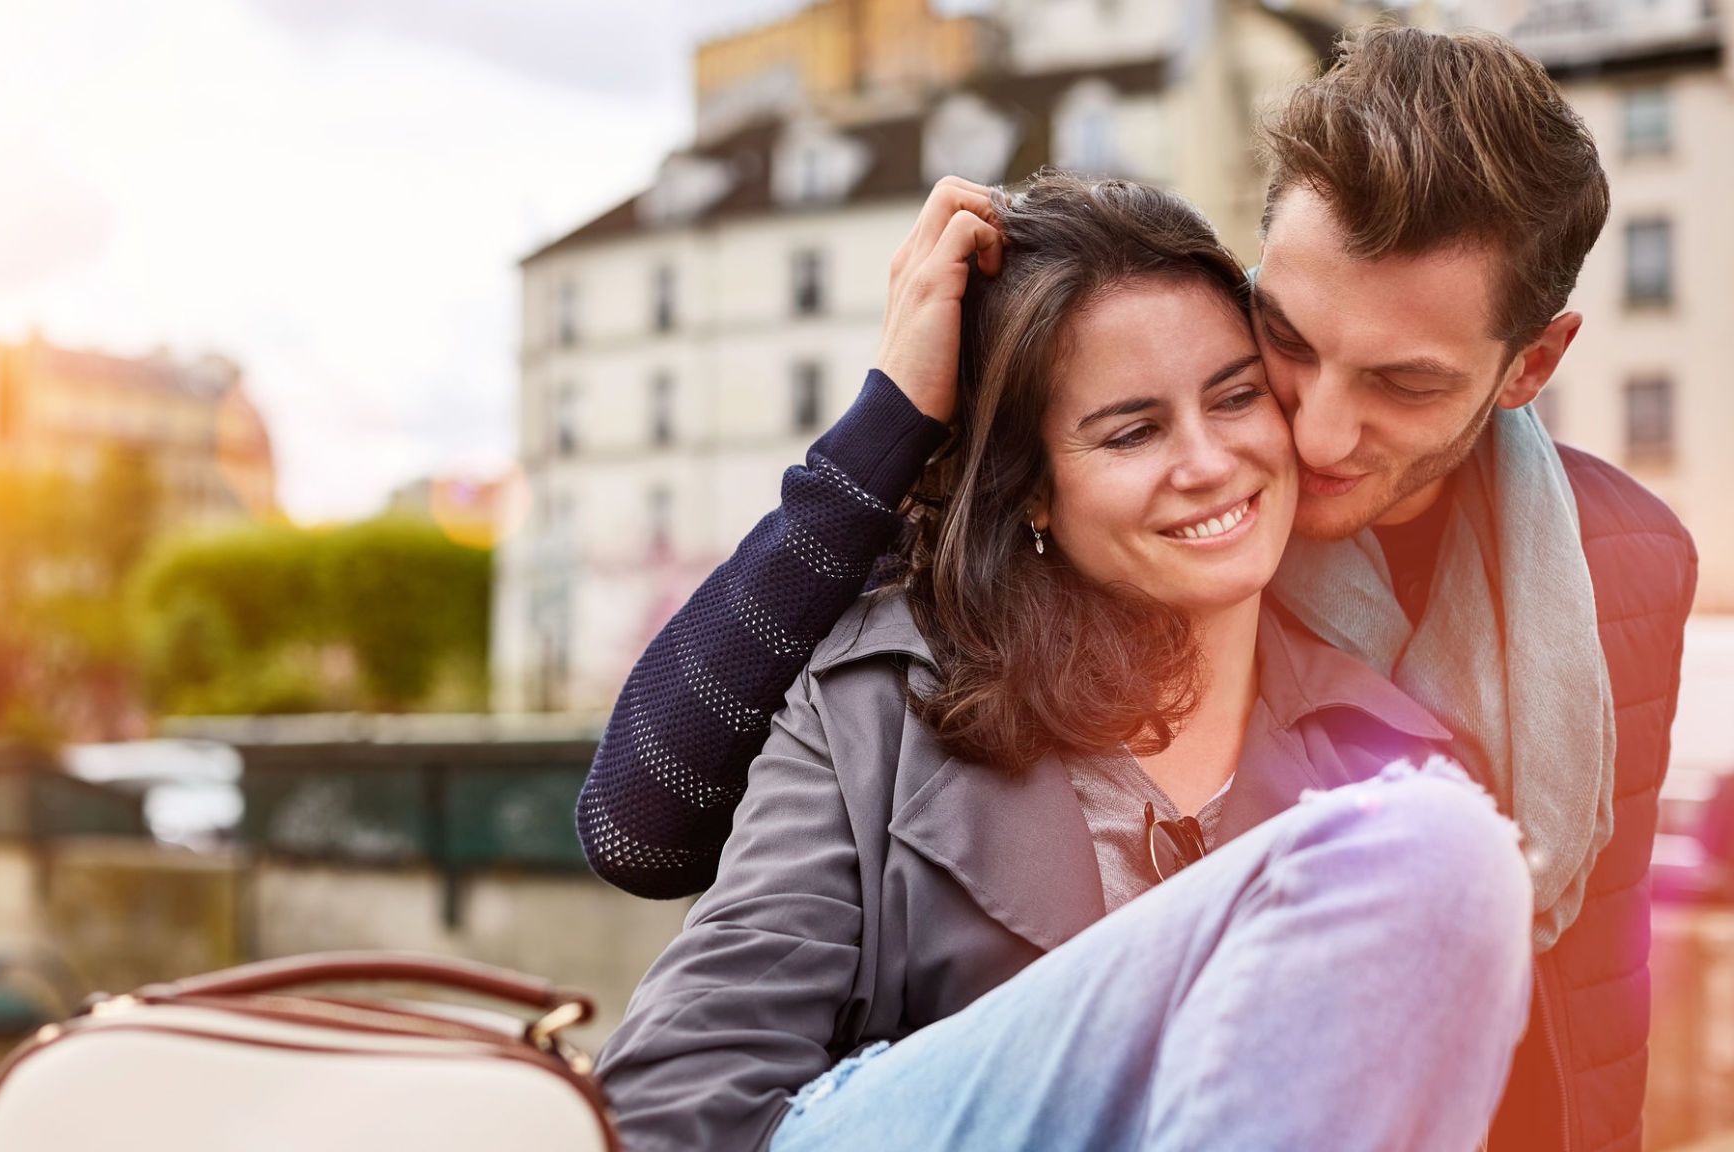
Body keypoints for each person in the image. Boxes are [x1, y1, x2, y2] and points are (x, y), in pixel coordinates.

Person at [578, 25, 1697, 1152]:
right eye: (1285, 346)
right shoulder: (953, 604)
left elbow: (1593, 996)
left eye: (1403, 383)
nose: (1311, 430)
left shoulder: (1612, 569)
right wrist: (889, 426)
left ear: (1530, 366)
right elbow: (642, 831)